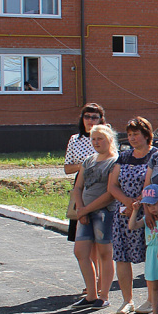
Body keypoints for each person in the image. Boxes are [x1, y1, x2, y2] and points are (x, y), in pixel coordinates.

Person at [108, 117, 158, 314]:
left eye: (136, 134)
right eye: (129, 135)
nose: (132, 138)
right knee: (122, 256)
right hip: (123, 213)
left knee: (149, 256)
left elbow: (152, 183)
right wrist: (129, 203)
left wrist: (138, 204)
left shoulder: (155, 155)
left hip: (147, 212)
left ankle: (150, 300)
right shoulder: (124, 156)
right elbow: (112, 185)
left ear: (147, 135)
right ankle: (126, 300)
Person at [68, 123, 120, 308]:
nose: (96, 142)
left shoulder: (115, 161)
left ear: (110, 140)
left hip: (104, 213)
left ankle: (103, 296)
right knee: (80, 252)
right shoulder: (89, 160)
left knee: (105, 253)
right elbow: (78, 187)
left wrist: (87, 209)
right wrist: (81, 209)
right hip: (84, 213)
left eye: (100, 139)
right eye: (94, 139)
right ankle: (90, 293)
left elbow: (110, 193)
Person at [64, 103, 105, 252]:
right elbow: (67, 168)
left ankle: (103, 275)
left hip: (102, 185)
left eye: (94, 117)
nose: (90, 120)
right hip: (81, 185)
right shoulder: (75, 139)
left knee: (101, 240)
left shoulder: (105, 138)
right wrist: (83, 165)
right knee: (84, 239)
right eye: (87, 116)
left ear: (101, 119)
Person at [128, 184, 158, 314]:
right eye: (149, 206)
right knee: (153, 285)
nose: (152, 208)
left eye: (154, 204)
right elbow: (132, 226)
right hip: (151, 253)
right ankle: (155, 312)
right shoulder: (147, 219)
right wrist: (135, 210)